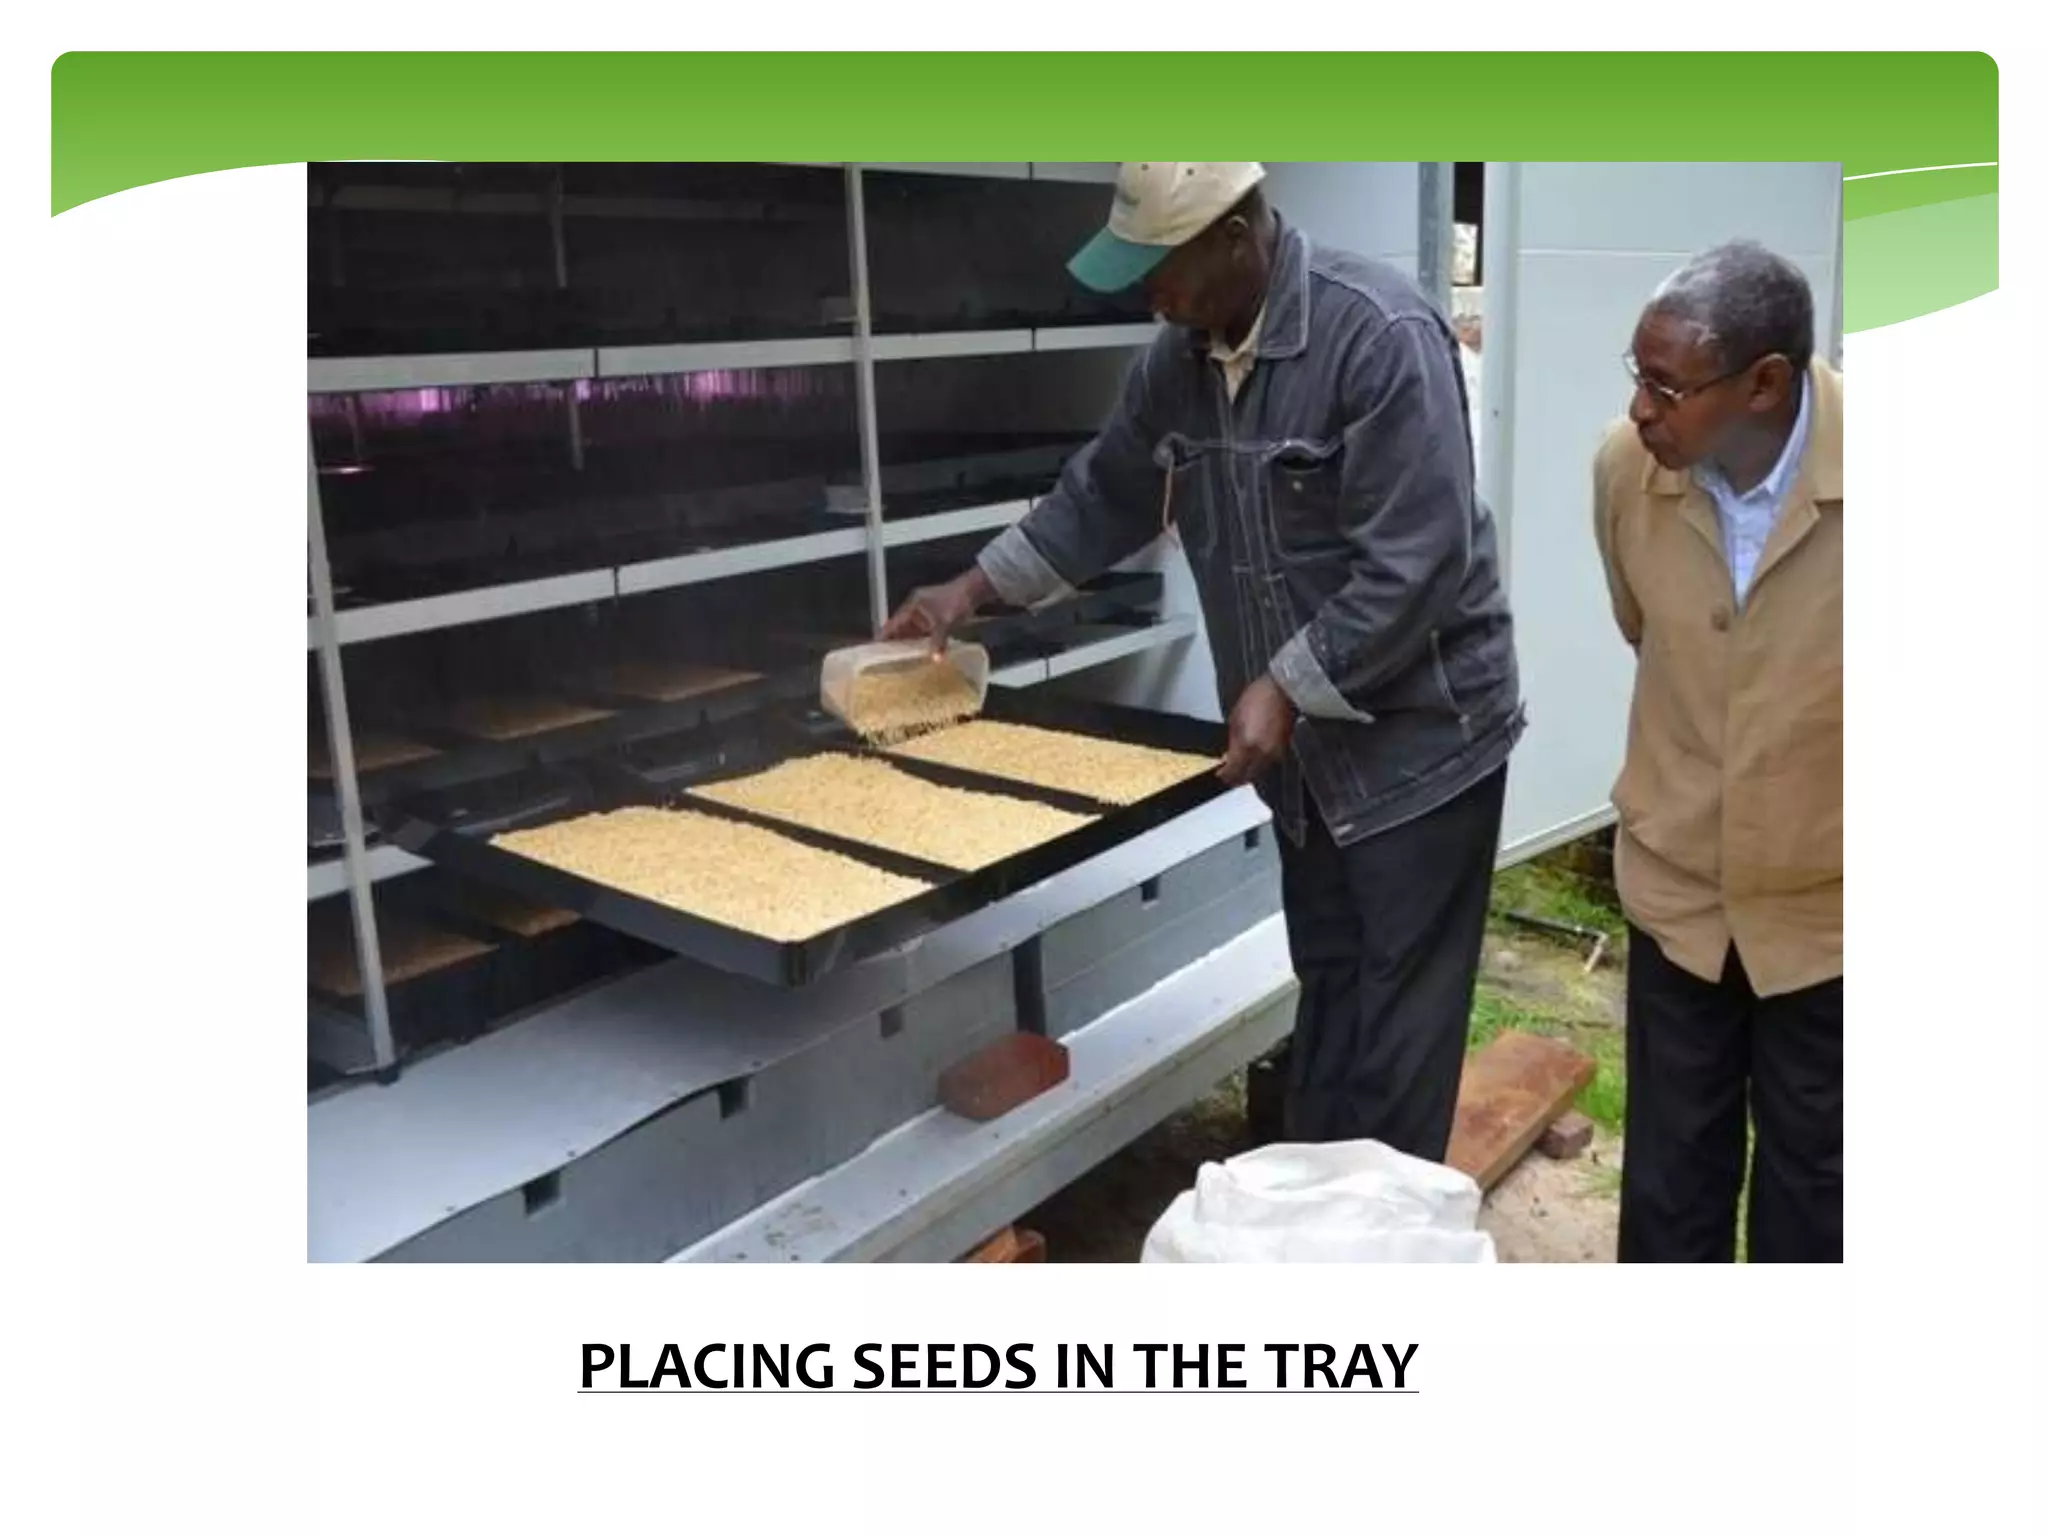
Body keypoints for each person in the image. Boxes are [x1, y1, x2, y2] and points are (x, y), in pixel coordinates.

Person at [882, 163, 1523, 1160]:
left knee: (1398, 1028)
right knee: (1333, 989)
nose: (1149, 294)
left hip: (1420, 754)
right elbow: (1101, 494)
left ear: (1236, 234)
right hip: (1309, 770)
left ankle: (1386, 1257)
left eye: (1160, 267)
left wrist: (1285, 685)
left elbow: (1418, 560)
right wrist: (966, 592)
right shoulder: (1179, 360)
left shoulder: (1378, 336)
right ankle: (1308, 1218)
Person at [1592, 239, 1843, 1262]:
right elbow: (1643, 626)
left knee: (1817, 1191)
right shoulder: (1623, 470)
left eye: (1665, 385)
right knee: (1667, 1185)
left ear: (1762, 385)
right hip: (1678, 897)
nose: (1639, 410)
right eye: (1634, 377)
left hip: (1830, 916)